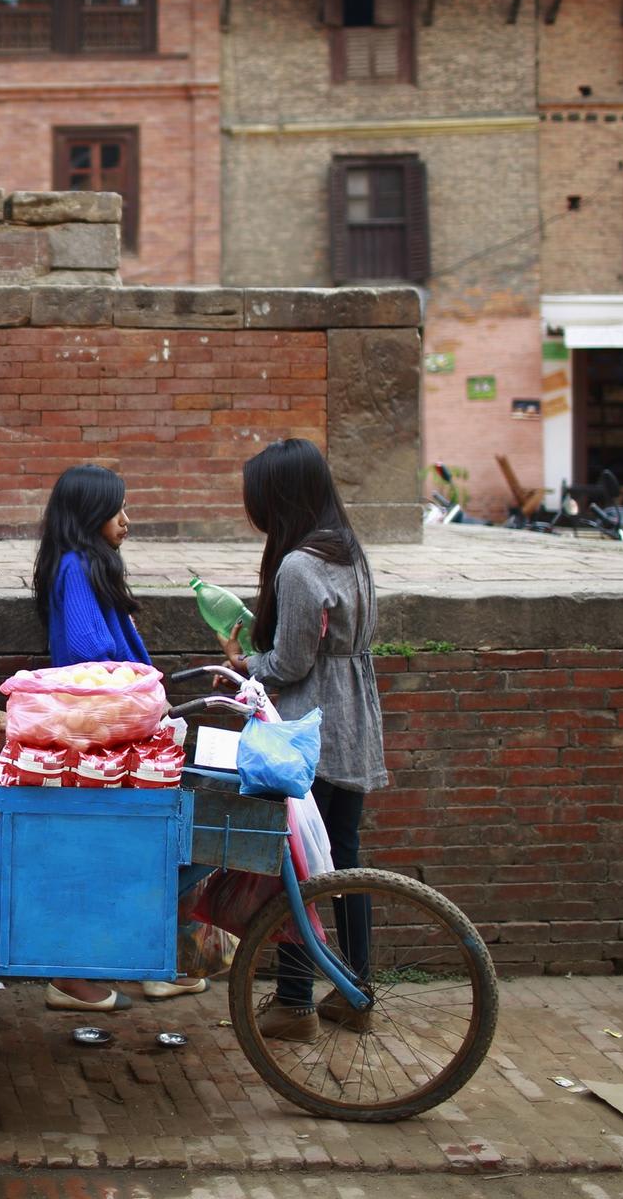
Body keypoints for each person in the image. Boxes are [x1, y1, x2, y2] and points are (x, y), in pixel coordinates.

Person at [215, 438, 386, 1046]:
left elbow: (288, 662)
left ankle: (293, 1001)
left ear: (281, 497)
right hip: (355, 715)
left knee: (300, 861)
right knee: (343, 854)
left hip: (308, 723)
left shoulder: (298, 564)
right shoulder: (348, 552)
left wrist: (242, 665)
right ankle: (357, 990)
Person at [29, 465, 203, 1009]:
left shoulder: (81, 564)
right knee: (110, 852)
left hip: (105, 730)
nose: (126, 521)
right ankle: (77, 976)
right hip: (101, 735)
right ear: (88, 516)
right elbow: (88, 651)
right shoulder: (78, 566)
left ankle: (144, 964)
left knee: (122, 849)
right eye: (116, 510)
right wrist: (143, 690)